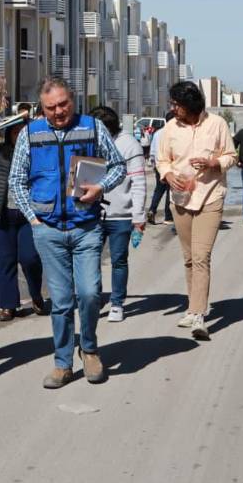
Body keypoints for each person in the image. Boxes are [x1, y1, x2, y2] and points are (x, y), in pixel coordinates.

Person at [8, 77, 126, 389]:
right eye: (51, 107)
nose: (59, 111)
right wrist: (32, 218)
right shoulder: (30, 135)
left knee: (88, 293)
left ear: (72, 100)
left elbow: (118, 166)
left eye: (63, 104)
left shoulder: (92, 127)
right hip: (47, 229)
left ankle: (89, 349)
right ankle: (63, 362)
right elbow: (16, 181)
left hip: (86, 226)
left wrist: (100, 187)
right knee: (60, 301)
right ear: (41, 108)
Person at [156, 80, 237, 340]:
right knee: (189, 257)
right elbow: (162, 160)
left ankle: (199, 314)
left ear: (190, 104)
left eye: (176, 104)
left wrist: (214, 162)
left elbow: (231, 156)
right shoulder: (170, 128)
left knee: (202, 256)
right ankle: (192, 307)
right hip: (180, 199)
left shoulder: (217, 124)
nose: (173, 108)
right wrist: (168, 175)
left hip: (210, 197)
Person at [0, 106, 47, 322]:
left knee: (30, 258)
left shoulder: (36, 153)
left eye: (22, 131)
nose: (18, 135)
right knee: (6, 259)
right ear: (8, 134)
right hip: (3, 213)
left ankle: (36, 295)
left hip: (29, 214)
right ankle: (8, 305)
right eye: (14, 131)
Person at [91, 106, 147, 323]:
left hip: (121, 215)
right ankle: (94, 300)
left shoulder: (129, 144)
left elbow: (139, 183)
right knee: (90, 260)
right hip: (92, 214)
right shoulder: (90, 142)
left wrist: (138, 216)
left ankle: (117, 303)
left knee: (119, 260)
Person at [146, 111, 176, 226]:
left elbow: (152, 152)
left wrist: (154, 165)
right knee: (170, 190)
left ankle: (152, 210)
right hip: (170, 166)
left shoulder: (158, 133)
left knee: (159, 189)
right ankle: (168, 216)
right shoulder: (173, 133)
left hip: (159, 166)